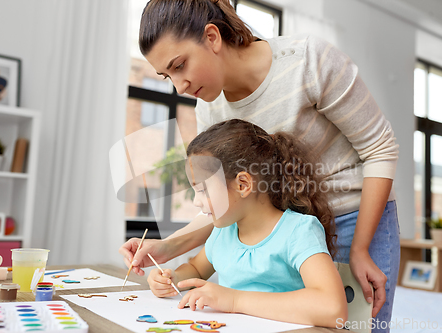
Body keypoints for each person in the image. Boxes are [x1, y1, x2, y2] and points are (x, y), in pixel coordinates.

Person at [120, 0, 400, 331]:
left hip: (354, 216)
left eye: (179, 65)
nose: (179, 87)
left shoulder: (308, 61)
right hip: (277, 225)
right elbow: (224, 195)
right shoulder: (209, 108)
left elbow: (380, 147)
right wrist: (167, 247)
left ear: (212, 38)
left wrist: (362, 248)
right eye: (167, 76)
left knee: (356, 325)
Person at [148, 119, 347, 327]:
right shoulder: (222, 232)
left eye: (203, 190)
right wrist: (172, 279)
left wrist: (235, 300)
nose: (196, 201)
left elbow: (333, 308)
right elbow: (196, 269)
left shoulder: (298, 231)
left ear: (243, 184)